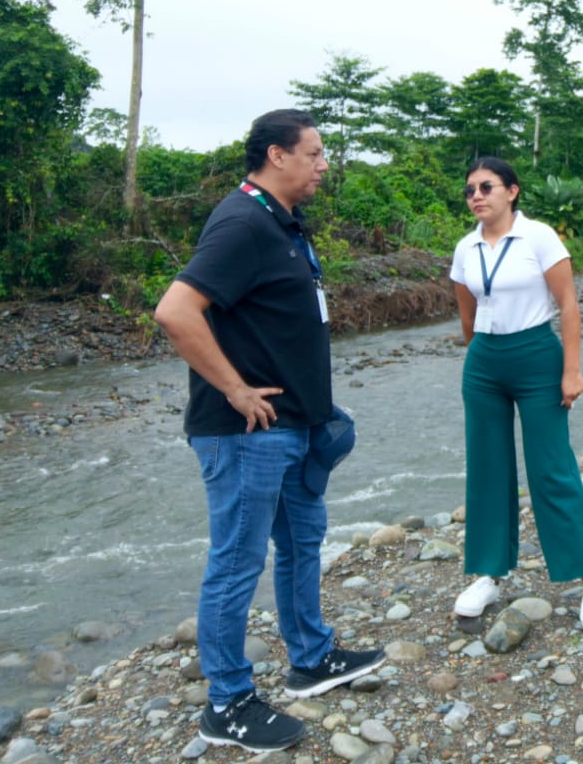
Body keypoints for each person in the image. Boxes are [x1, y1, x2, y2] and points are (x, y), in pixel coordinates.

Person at [155, 110, 384, 755]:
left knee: (303, 541)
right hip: (245, 431)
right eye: (314, 153)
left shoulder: (283, 222)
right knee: (236, 561)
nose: (324, 165)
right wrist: (234, 388)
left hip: (295, 427)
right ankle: (226, 703)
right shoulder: (241, 222)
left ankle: (310, 657)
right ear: (277, 156)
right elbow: (175, 311)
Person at [448, 156, 583, 629]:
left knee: (550, 466)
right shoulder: (466, 248)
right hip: (484, 362)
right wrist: (480, 358)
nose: (476, 196)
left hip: (537, 356)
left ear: (512, 191)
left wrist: (571, 371)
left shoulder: (538, 236)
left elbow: (568, 304)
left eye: (486, 187)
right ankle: (489, 573)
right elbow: (466, 315)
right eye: (470, 190)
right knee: (487, 468)